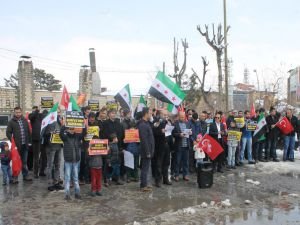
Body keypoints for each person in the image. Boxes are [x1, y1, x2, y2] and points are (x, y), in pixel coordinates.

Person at [6, 107, 32, 182]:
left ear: (21, 112)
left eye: (19, 112)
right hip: (17, 146)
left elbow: (28, 131)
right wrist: (12, 141)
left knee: (24, 162)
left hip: (25, 145)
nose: (18, 114)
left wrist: (29, 142)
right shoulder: (11, 122)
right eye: (16, 112)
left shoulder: (25, 120)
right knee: (16, 161)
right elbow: (8, 132)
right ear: (14, 113)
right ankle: (15, 177)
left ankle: (25, 175)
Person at [60, 126, 83, 200]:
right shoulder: (65, 137)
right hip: (68, 161)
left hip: (76, 160)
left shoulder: (77, 137)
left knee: (76, 178)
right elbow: (60, 133)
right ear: (68, 129)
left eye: (73, 128)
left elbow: (84, 133)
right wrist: (64, 125)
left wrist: (84, 125)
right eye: (70, 129)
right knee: (67, 178)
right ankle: (67, 194)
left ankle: (77, 193)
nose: (72, 130)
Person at [43, 115, 64, 191]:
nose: (58, 113)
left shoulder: (60, 120)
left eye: (59, 112)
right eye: (57, 111)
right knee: (50, 165)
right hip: (50, 147)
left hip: (58, 146)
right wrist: (50, 133)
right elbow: (43, 133)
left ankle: (56, 181)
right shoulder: (48, 120)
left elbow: (62, 132)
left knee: (57, 165)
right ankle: (50, 183)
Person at [152, 109, 172, 187]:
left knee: (166, 163)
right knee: (159, 164)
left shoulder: (167, 122)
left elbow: (170, 133)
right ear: (160, 114)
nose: (166, 116)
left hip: (167, 145)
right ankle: (158, 180)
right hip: (159, 145)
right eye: (164, 115)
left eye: (166, 115)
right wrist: (161, 131)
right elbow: (154, 132)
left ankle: (166, 179)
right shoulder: (156, 122)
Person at [137, 107, 155, 192]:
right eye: (150, 113)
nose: (151, 114)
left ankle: (145, 184)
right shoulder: (142, 125)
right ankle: (143, 185)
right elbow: (144, 140)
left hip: (149, 149)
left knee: (146, 168)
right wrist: (148, 151)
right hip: (146, 150)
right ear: (146, 113)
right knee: (145, 168)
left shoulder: (147, 123)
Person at [173, 111, 192, 181]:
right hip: (179, 145)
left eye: (183, 117)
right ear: (178, 116)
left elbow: (190, 132)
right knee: (177, 161)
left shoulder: (187, 123)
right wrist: (179, 135)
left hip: (186, 145)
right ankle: (176, 175)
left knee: (186, 161)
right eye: (181, 117)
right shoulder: (175, 124)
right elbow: (173, 133)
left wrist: (190, 132)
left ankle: (185, 175)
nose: (182, 118)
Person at [29, 106, 44, 178]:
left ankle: (42, 171)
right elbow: (32, 117)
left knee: (44, 156)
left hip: (43, 138)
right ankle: (35, 172)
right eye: (34, 110)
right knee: (36, 157)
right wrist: (36, 111)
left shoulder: (40, 115)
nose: (35, 111)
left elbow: (46, 117)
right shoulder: (31, 115)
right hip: (35, 139)